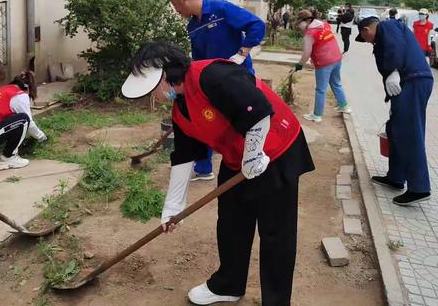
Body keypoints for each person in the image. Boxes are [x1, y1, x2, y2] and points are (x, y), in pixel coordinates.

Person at [121, 41, 315, 306]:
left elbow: (257, 110)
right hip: (238, 158)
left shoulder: (211, 75)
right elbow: (184, 157)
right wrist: (173, 207)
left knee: (275, 231)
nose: (150, 98)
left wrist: (255, 152)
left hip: (276, 149)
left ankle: (277, 301)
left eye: (151, 90)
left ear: (164, 77)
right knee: (231, 221)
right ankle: (229, 284)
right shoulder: (181, 109)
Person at [170, 0, 265, 181]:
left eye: (176, 6)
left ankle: (247, 165)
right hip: (210, 82)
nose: (176, 11)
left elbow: (256, 25)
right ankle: (204, 168)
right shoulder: (193, 26)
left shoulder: (221, 9)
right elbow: (198, 58)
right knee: (204, 119)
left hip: (236, 80)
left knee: (240, 124)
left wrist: (242, 53)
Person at [356, 17, 433, 206]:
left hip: (413, 81)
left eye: (364, 38)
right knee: (395, 129)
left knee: (409, 132)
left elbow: (395, 46)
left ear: (366, 30)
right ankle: (396, 177)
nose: (367, 42)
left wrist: (393, 70)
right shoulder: (385, 33)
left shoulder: (387, 25)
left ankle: (419, 187)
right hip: (407, 83)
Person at [294, 10, 351, 123]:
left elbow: (306, 52)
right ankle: (344, 106)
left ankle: (317, 115)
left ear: (307, 20)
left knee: (321, 89)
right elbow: (322, 42)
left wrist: (300, 64)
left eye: (300, 23)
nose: (299, 26)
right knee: (336, 83)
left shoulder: (309, 34)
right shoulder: (324, 24)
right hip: (336, 58)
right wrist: (312, 57)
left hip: (324, 63)